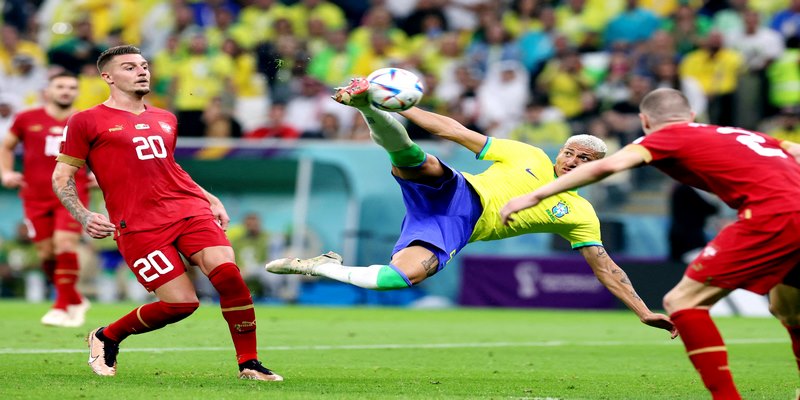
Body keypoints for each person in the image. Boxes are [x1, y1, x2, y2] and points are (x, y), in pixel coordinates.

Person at [267, 77, 676, 338]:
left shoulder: (580, 214)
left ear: (599, 168)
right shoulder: (528, 155)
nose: (573, 161)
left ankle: (320, 266)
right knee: (413, 157)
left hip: (452, 229)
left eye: (584, 159)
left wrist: (643, 311)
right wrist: (403, 107)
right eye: (570, 152)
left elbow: (606, 268)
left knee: (397, 279)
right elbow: (456, 130)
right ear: (560, 152)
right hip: (460, 192)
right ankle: (366, 106)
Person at [499, 87, 800, 400]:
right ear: (691, 116)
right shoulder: (740, 134)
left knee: (682, 302)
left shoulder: (665, 137)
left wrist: (535, 195)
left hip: (773, 214)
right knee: (788, 308)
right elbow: (795, 151)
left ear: (644, 121)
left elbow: (606, 166)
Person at [51, 45, 282, 381]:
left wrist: (209, 198)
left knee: (229, 275)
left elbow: (169, 168)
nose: (141, 71)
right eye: (130, 67)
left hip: (188, 210)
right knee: (181, 304)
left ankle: (249, 363)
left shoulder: (166, 118)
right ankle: (107, 336)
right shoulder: (85, 121)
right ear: (107, 77)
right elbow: (62, 176)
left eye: (144, 65)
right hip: (139, 224)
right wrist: (84, 215)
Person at [0, 71, 91, 327]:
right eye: (60, 86)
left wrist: (99, 175)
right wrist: (6, 172)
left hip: (72, 193)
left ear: (77, 92)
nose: (66, 91)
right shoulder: (26, 118)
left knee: (64, 244)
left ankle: (61, 306)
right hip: (35, 196)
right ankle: (75, 299)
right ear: (47, 91)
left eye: (71, 87)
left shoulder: (85, 120)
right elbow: (6, 146)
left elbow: (105, 151)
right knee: (46, 253)